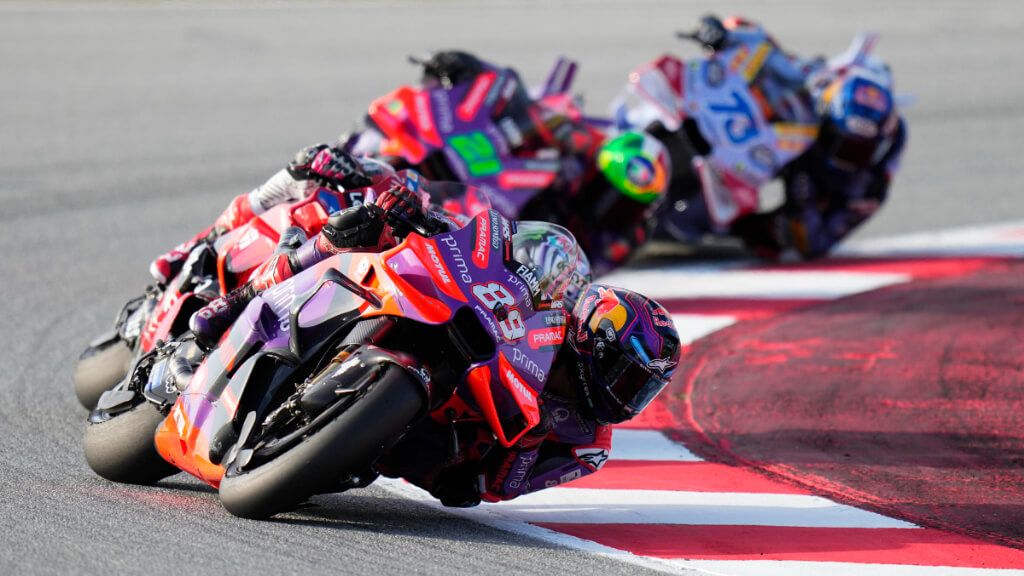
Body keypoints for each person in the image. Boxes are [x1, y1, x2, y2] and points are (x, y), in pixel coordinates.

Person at [189, 173, 681, 508]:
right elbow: (497, 261)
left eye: (642, 388)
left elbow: (501, 488)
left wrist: (495, 465)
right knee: (355, 225)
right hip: (451, 332)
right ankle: (236, 302)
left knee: (446, 476)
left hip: (432, 441)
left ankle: (311, 447)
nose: (628, 394)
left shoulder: (586, 444)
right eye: (627, 375)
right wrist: (421, 216)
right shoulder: (551, 318)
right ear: (592, 340)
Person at [352, 50, 673, 275]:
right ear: (600, 170)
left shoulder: (624, 238)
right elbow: (547, 116)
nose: (611, 206)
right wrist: (470, 71)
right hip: (491, 179)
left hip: (504, 248)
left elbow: (577, 271)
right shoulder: (585, 149)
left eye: (626, 204)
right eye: (610, 192)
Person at [670, 15, 907, 260]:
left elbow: (817, 243)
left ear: (881, 144)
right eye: (842, 142)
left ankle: (724, 223)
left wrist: (801, 203)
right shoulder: (825, 87)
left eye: (859, 150)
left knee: (774, 239)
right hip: (775, 136)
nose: (847, 154)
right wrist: (724, 33)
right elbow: (770, 50)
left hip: (805, 191)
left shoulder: (868, 188)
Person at [148, 143, 394, 285]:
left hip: (371, 254)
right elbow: (371, 164)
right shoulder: (391, 167)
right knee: (305, 165)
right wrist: (338, 164)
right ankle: (193, 248)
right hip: (322, 215)